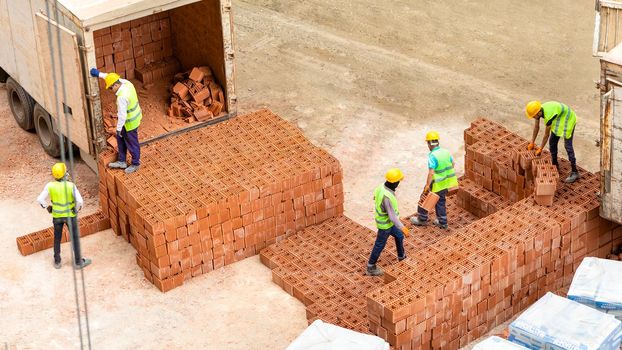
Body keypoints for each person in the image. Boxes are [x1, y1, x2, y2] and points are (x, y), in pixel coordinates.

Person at [37, 163, 91, 269]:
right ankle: (78, 262)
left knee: (57, 238)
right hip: (70, 216)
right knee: (75, 238)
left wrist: (47, 207)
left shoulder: (50, 186)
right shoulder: (71, 186)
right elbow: (80, 201)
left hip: (57, 217)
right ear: (64, 174)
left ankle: (57, 261)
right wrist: (76, 209)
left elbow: (40, 199)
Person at [90, 68, 142, 174]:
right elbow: (110, 77)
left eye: (111, 88)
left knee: (132, 143)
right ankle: (122, 161)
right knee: (120, 138)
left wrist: (118, 129)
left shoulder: (122, 97)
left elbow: (122, 116)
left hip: (130, 123)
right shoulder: (127, 83)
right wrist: (99, 74)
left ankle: (135, 163)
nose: (111, 90)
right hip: (133, 118)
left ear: (116, 85)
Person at [410, 131, 458, 230]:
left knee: (426, 197)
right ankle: (442, 222)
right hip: (446, 182)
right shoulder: (446, 151)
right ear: (437, 142)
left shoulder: (433, 155)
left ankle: (422, 219)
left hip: (437, 183)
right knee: (440, 201)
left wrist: (427, 185)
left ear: (429, 143)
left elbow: (431, 172)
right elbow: (453, 163)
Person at [366, 168, 410, 276]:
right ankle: (371, 267)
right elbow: (392, 216)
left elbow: (375, 197)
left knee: (399, 236)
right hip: (385, 225)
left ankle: (401, 257)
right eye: (398, 181)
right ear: (394, 182)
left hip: (389, 223)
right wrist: (402, 227)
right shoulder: (387, 197)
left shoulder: (381, 187)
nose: (399, 183)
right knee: (380, 244)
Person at [525, 100, 580, 183]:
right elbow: (536, 127)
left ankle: (575, 172)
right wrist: (532, 142)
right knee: (552, 143)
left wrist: (540, 148)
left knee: (568, 146)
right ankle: (555, 164)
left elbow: (546, 135)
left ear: (538, 113)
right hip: (558, 119)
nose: (533, 117)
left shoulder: (548, 116)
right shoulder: (539, 110)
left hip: (568, 120)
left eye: (533, 116)